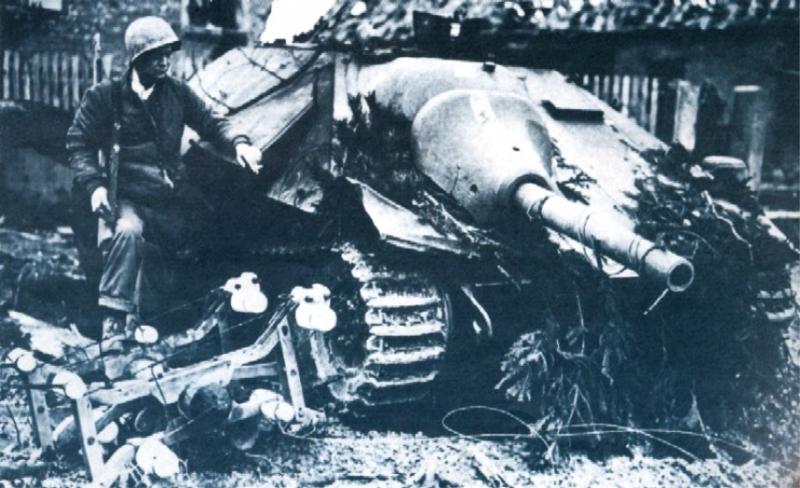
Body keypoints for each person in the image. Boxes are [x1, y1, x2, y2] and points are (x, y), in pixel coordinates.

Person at [66, 16, 262, 368]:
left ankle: (199, 329)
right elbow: (78, 142)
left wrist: (240, 144)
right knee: (127, 233)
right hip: (128, 197)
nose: (164, 61)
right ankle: (113, 330)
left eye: (167, 53)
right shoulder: (106, 96)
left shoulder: (177, 93)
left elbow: (212, 121)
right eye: (155, 55)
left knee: (214, 239)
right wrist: (95, 186)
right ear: (136, 58)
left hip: (170, 198)